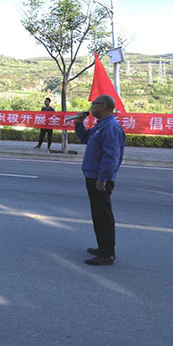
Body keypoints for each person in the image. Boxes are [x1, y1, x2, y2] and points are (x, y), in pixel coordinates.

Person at [74, 95, 126, 266]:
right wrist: (79, 123)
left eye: (93, 104)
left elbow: (111, 156)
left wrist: (103, 178)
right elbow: (85, 138)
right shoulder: (100, 125)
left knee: (103, 215)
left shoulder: (111, 127)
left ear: (103, 106)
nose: (91, 107)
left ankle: (107, 253)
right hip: (93, 176)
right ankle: (102, 247)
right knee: (97, 214)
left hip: (100, 179)